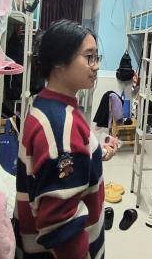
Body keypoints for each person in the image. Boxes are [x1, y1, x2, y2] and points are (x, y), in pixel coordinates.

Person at [16, 19, 114, 259]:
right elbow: (60, 227)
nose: (96, 66)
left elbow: (60, 158)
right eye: (89, 57)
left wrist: (96, 152)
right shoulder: (61, 125)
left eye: (97, 57)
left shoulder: (46, 103)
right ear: (59, 62)